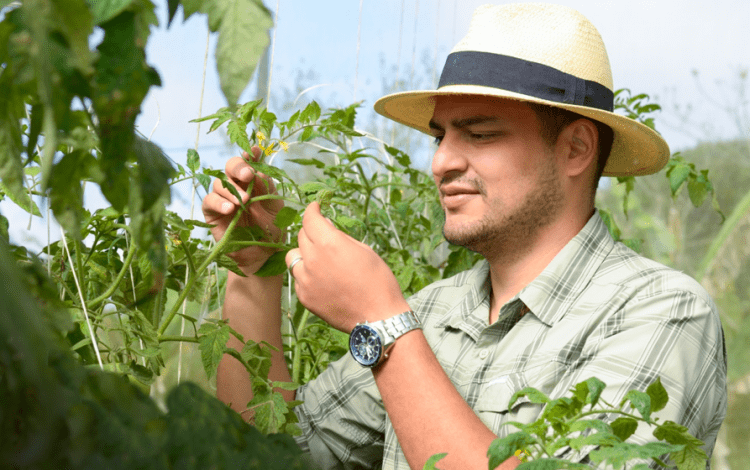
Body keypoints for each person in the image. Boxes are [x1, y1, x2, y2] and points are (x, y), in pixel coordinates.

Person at [202, 4, 727, 469]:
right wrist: (252, 270)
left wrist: (382, 326)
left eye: (480, 133)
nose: (442, 162)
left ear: (576, 149)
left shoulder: (662, 311)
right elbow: (267, 453)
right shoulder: (431, 314)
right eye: (441, 135)